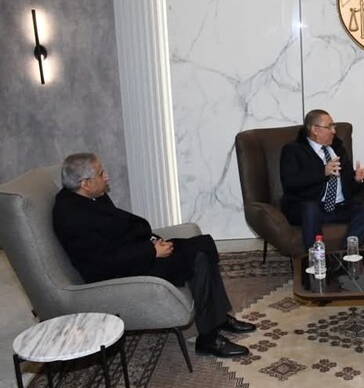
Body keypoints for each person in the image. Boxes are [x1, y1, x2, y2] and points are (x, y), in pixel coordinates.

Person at [52, 153, 256, 358]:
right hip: (117, 273)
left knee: (203, 244)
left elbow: (120, 227)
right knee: (197, 257)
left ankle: (218, 319)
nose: (106, 177)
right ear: (85, 183)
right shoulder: (71, 216)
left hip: (133, 255)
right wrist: (151, 251)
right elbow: (102, 262)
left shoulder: (90, 196)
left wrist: (151, 240)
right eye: (101, 173)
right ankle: (209, 340)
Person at [279, 109, 364, 250]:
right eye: (329, 127)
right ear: (315, 130)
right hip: (312, 208)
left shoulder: (338, 149)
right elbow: (290, 183)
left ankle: (345, 255)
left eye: (334, 126)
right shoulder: (293, 150)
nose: (334, 131)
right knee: (310, 209)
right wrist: (322, 172)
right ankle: (316, 258)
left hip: (339, 207)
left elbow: (351, 188)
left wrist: (357, 179)